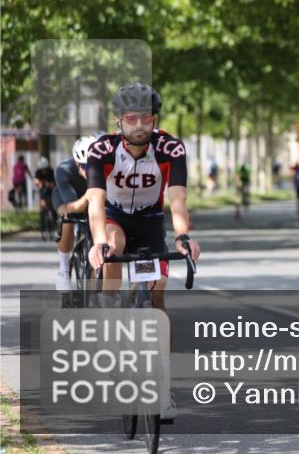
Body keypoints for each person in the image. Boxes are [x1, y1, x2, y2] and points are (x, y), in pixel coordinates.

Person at [86, 82, 201, 421]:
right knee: (114, 245)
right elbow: (95, 203)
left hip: (151, 221)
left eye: (146, 118)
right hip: (114, 219)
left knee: (156, 300)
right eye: (131, 118)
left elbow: (177, 200)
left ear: (155, 119)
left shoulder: (171, 148)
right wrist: (98, 242)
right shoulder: (101, 150)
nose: (139, 125)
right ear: (119, 121)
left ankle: (162, 389)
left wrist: (183, 237)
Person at [52, 135, 98, 291]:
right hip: (67, 201)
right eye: (85, 167)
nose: (90, 172)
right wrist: (90, 196)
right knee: (68, 219)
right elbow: (73, 207)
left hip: (90, 200)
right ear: (78, 163)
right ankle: (63, 269)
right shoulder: (64, 170)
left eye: (94, 166)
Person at [34, 157, 56, 232]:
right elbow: (36, 181)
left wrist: (49, 184)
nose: (43, 171)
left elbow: (53, 184)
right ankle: (42, 225)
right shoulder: (38, 172)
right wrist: (39, 183)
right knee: (42, 207)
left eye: (45, 169)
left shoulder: (51, 172)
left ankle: (53, 221)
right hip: (42, 192)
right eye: (42, 169)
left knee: (52, 208)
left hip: (50, 192)